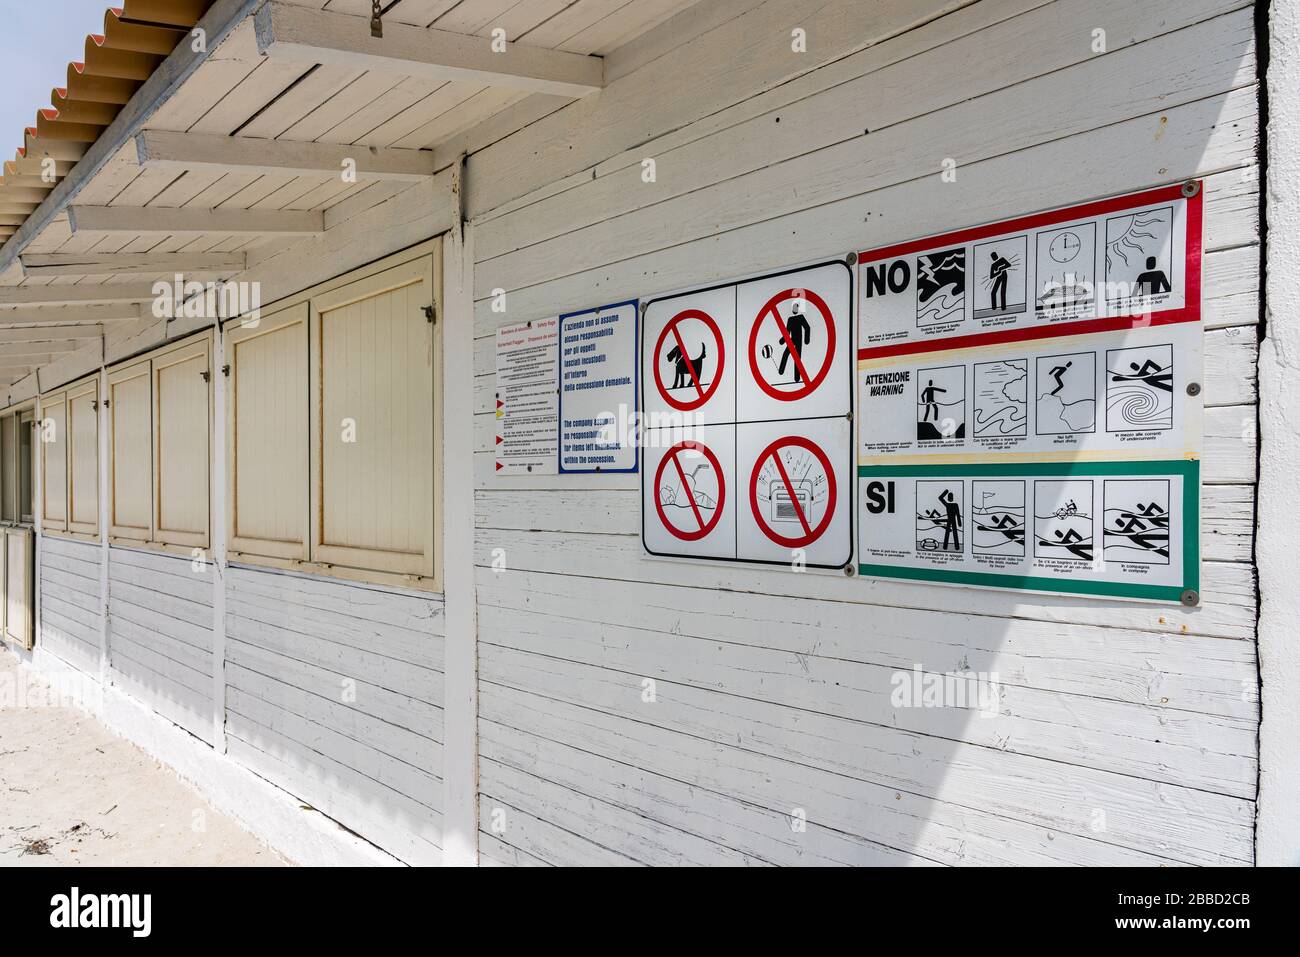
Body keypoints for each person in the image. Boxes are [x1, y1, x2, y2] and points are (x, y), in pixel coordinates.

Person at [777, 301, 812, 383]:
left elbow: (807, 327)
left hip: (798, 340)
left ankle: (797, 377)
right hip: (791, 340)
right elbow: (787, 332)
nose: (794, 309)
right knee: (785, 354)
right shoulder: (790, 319)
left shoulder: (801, 317)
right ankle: (781, 371)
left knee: (797, 358)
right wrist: (782, 340)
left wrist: (806, 340)